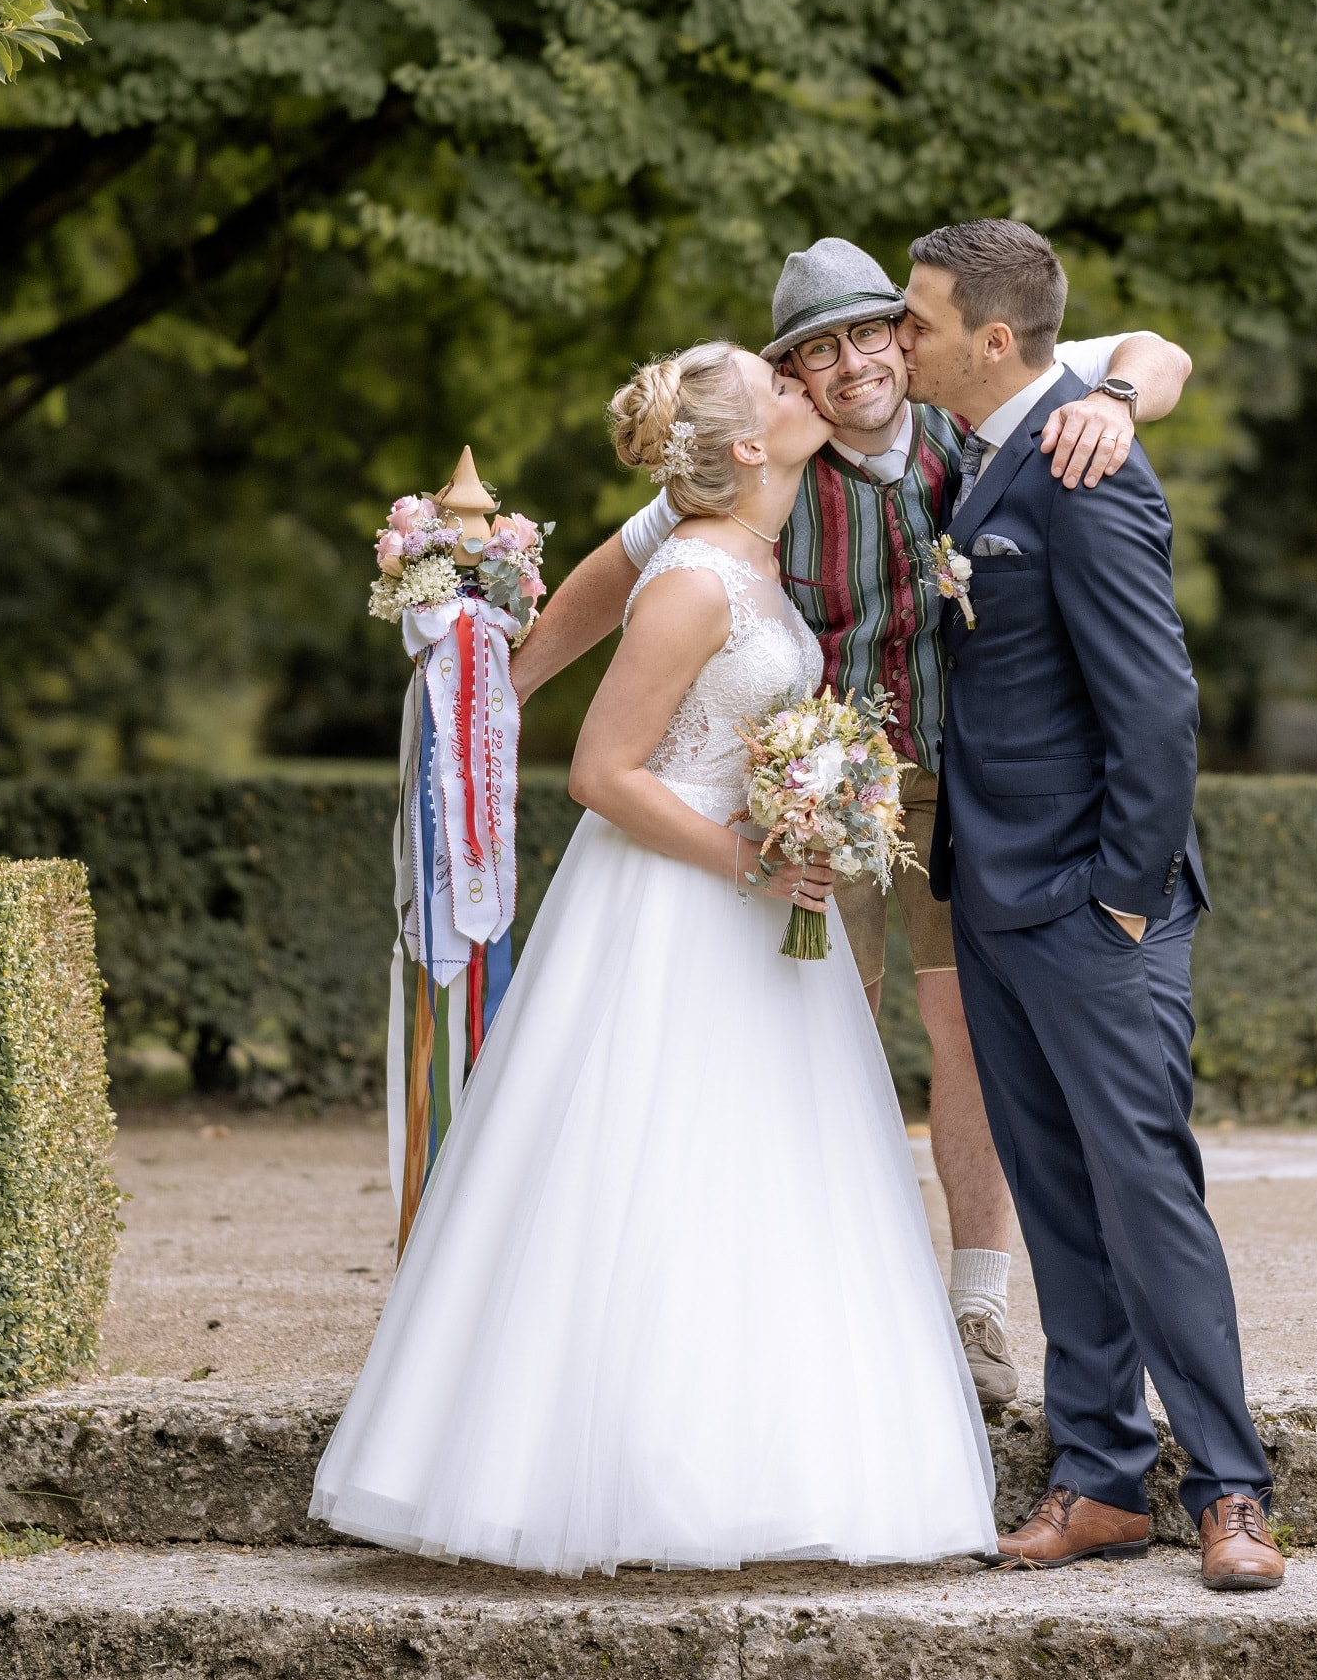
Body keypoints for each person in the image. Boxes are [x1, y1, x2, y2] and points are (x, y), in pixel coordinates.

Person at [310, 341, 996, 1573]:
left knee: (769, 1171)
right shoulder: (691, 580)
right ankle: (621, 1467)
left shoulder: (755, 554)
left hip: (761, 904)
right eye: (784, 387)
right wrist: (748, 857)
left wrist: (812, 812)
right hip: (676, 908)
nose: (809, 389)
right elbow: (600, 773)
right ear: (746, 446)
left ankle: (773, 1452)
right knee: (651, 1163)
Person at [511, 240, 1192, 1410]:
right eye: (812, 352)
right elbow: (616, 572)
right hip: (806, 794)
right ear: (795, 378)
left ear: (905, 335)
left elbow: (1158, 349)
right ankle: (822, 1300)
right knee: (818, 1038)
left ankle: (977, 1305)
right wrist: (496, 695)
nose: (848, 364)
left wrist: (1117, 404)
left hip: (955, 792)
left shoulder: (981, 416)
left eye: (865, 332)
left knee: (968, 1035)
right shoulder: (765, 460)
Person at [900, 219, 1281, 1595]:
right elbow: (1135, 352)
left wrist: (1123, 900)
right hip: (990, 901)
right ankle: (1103, 1477)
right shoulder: (994, 447)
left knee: (1144, 1194)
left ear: (993, 339)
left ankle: (1232, 1489)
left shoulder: (1084, 468)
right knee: (1058, 1198)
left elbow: (1160, 710)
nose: (903, 338)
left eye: (920, 320)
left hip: (1089, 905)